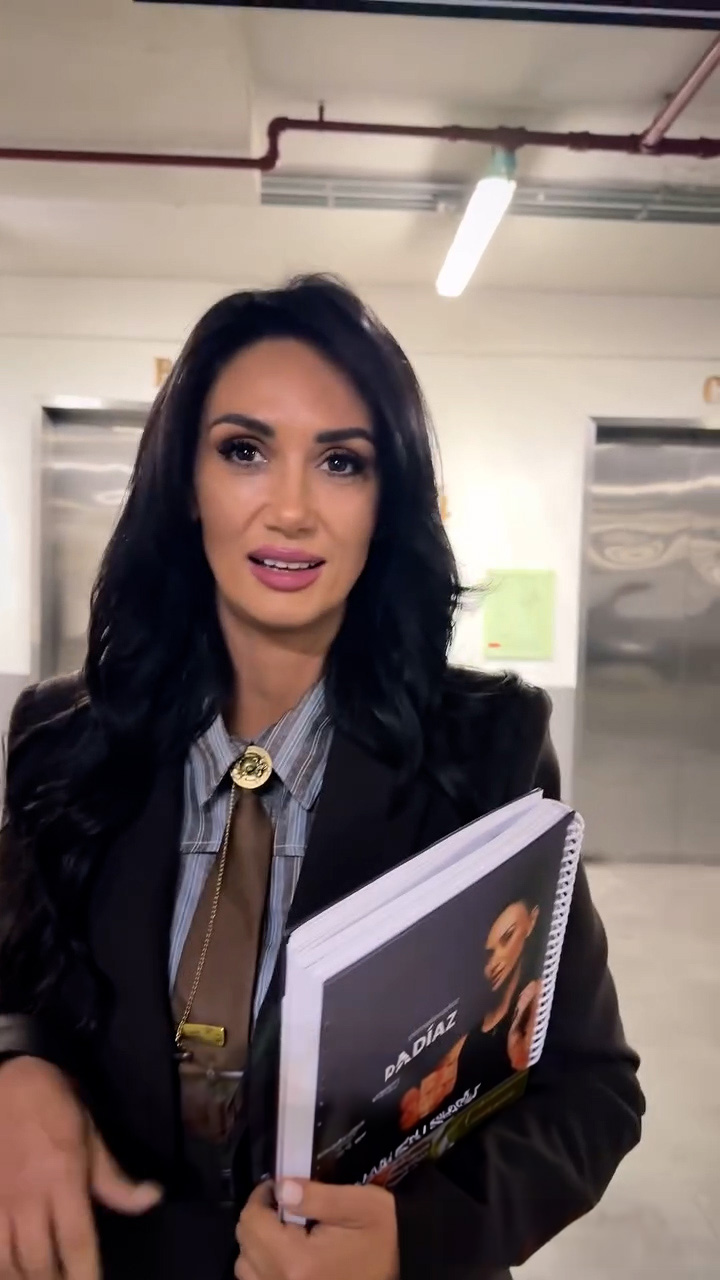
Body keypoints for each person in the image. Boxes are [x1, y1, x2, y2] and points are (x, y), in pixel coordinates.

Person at [0, 276, 644, 1280]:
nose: (292, 509)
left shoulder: (485, 753)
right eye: (244, 450)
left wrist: (416, 1239)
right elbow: (16, 984)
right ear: (186, 483)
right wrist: (16, 1067)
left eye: (342, 462)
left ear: (386, 502)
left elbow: (591, 1094)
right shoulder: (62, 741)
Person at [398, 890, 544, 1133]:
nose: (494, 963)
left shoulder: (534, 999)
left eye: (508, 937)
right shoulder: (469, 1024)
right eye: (488, 953)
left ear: (533, 920)